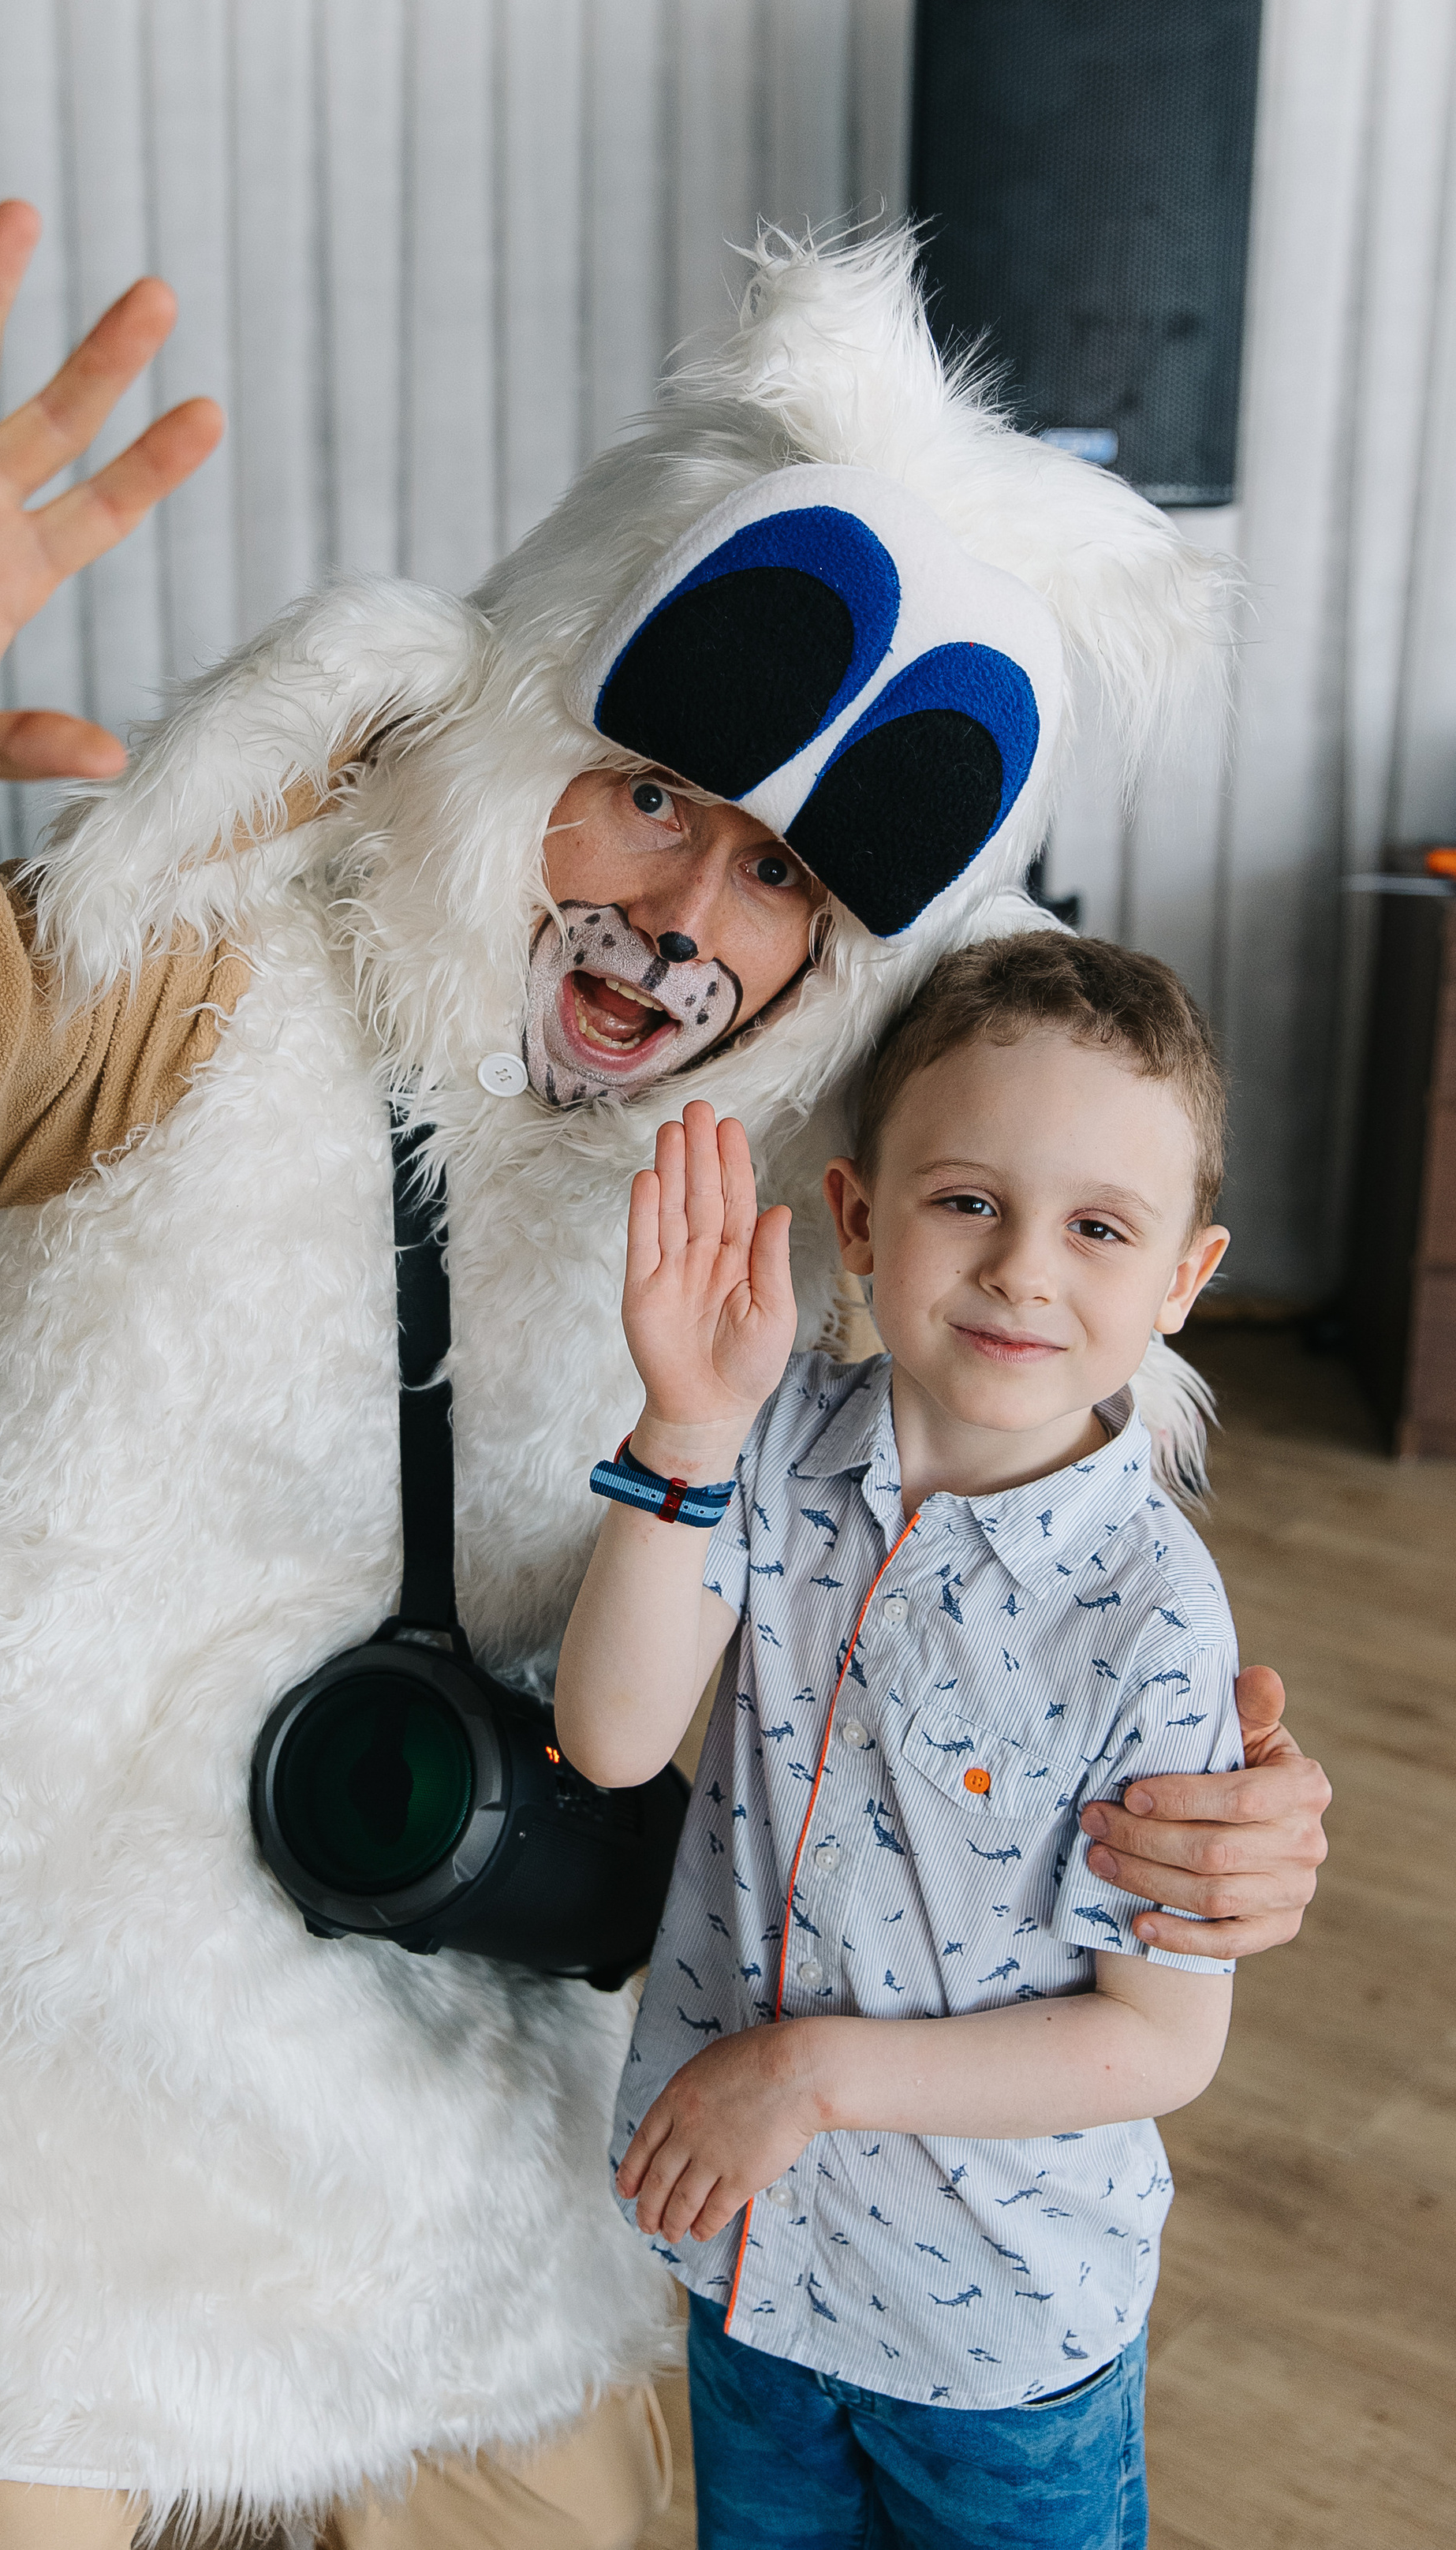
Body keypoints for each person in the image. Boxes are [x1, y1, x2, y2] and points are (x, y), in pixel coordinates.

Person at [0, 205, 1331, 2550]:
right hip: (4, 1997)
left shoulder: (779, 1202)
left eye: (785, 880)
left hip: (454, 2002)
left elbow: (1005, 1470)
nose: (688, 921)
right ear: (516, 735)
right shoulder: (203, 979)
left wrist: (1215, 1817)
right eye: (649, 797)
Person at [554, 933, 1257, 2548]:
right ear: (860, 1219)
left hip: (996, 2345)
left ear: (1178, 1281)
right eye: (966, 1202)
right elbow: (606, 1738)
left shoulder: (1152, 1623)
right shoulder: (775, 1430)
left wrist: (805, 2075)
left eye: (1096, 1229)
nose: (1021, 1269)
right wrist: (683, 1423)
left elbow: (1158, 2041)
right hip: (752, 2274)